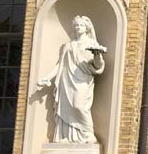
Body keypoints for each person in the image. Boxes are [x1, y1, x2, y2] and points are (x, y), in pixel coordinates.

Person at [36, 15, 107, 144]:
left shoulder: (92, 44)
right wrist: (47, 78)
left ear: (86, 28)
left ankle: (88, 134)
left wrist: (98, 56)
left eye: (80, 25)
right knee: (66, 107)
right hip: (66, 80)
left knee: (79, 106)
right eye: (76, 25)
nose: (77, 27)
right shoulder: (69, 46)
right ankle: (68, 137)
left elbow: (98, 65)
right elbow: (60, 65)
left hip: (82, 80)